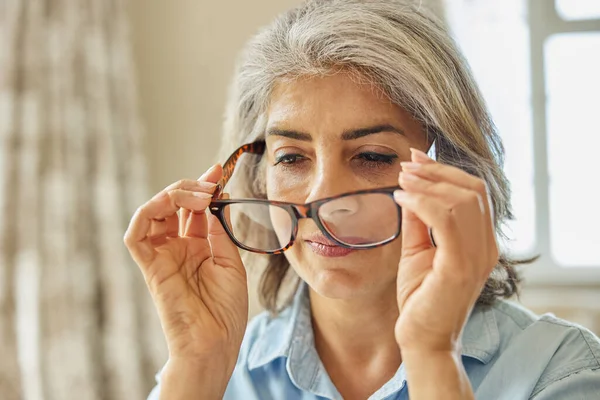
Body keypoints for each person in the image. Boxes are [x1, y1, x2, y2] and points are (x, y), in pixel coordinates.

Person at [124, 1, 600, 399]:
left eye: (372, 155)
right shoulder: (218, 370)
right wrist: (197, 366)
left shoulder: (558, 369)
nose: (325, 195)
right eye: (291, 158)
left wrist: (433, 353)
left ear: (455, 172)